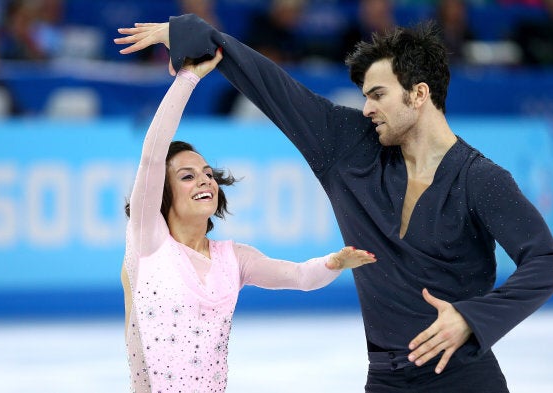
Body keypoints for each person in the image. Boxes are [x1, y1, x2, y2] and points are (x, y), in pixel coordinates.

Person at [114, 15, 553, 392]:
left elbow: (543, 261)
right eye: (365, 95)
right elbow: (277, 91)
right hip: (386, 379)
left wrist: (471, 318)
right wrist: (199, 37)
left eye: (378, 95)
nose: (366, 108)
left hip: (465, 377)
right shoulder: (348, 148)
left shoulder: (481, 180)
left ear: (419, 94)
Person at [113, 38, 376, 392]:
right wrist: (188, 78)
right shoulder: (148, 243)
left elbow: (299, 276)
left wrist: (334, 262)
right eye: (187, 176)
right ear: (162, 191)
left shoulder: (232, 259)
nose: (204, 180)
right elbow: (152, 154)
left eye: (207, 173)